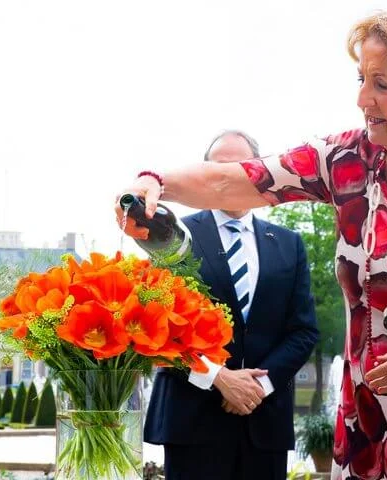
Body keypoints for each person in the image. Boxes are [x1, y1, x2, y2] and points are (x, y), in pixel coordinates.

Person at [118, 7, 387, 479]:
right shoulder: (345, 160)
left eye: (382, 85)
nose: (363, 98)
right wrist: (154, 181)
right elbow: (237, 181)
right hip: (365, 427)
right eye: (361, 78)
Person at [143, 130, 319, 480]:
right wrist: (218, 378)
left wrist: (257, 387)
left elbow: (303, 331)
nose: (229, 177)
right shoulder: (173, 238)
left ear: (257, 173)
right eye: (219, 169)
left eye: (241, 167)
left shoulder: (289, 244)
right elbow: (158, 327)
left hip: (264, 424)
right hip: (191, 422)